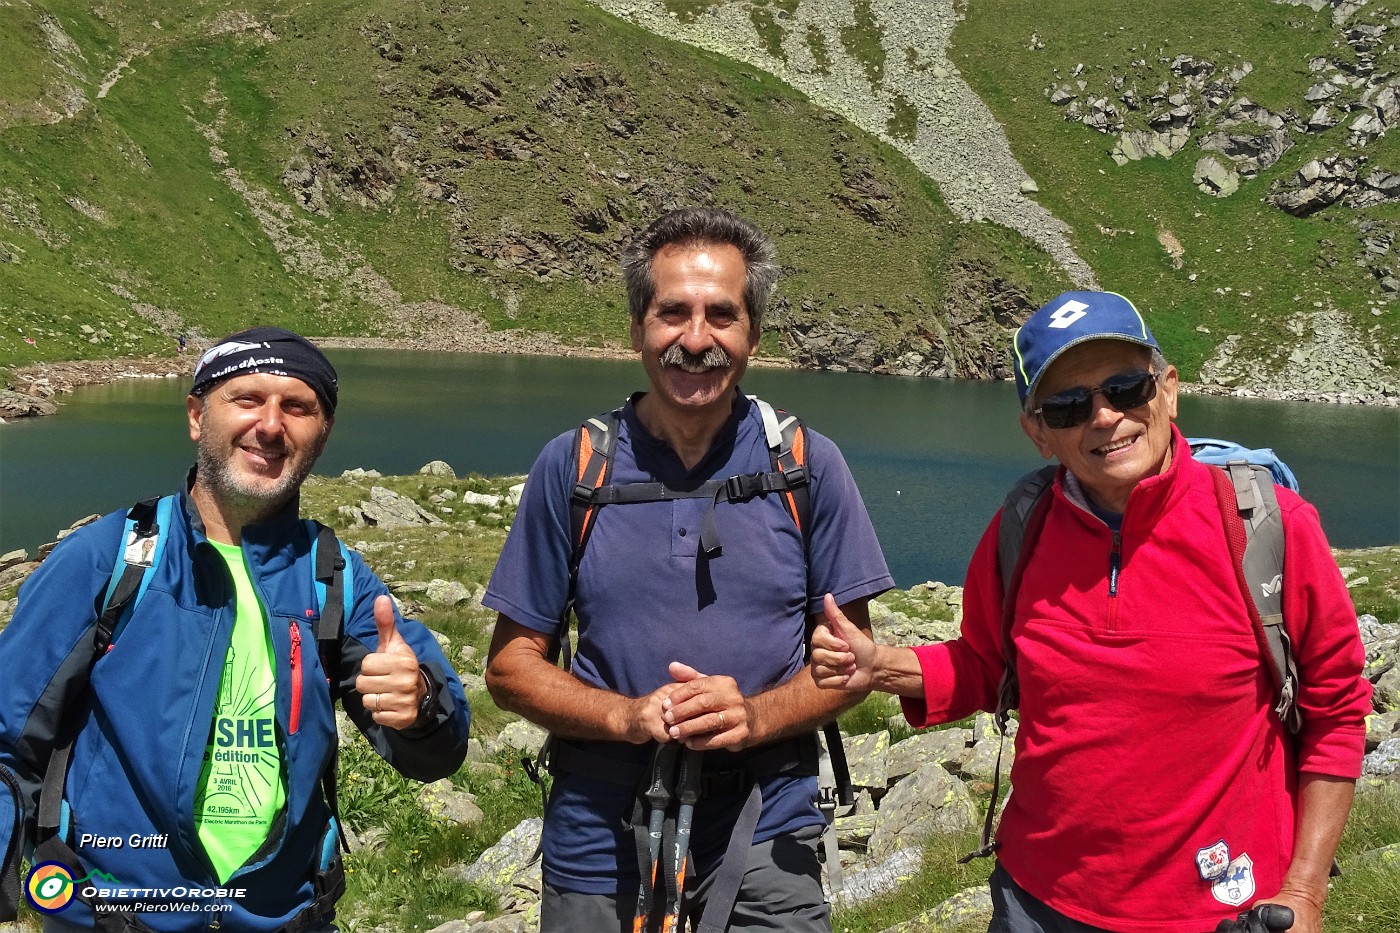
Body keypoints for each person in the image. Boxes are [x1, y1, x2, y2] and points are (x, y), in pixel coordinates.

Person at [812, 290, 1372, 933]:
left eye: (1126, 388)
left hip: (1222, 907)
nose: (1105, 417)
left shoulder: (1270, 527)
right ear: (1039, 433)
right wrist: (879, 666)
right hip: (1039, 901)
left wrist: (1303, 893)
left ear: (1167, 390)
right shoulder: (1021, 529)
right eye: (1070, 406)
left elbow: (1336, 709)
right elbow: (983, 664)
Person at [483, 207, 894, 933]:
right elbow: (512, 666)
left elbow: (850, 663)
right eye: (673, 313)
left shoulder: (804, 465)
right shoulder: (574, 466)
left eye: (721, 316)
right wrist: (626, 715)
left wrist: (753, 716)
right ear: (637, 327)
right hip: (595, 832)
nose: (695, 339)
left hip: (767, 825)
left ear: (753, 335)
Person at [0, 326, 472, 931]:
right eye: (246, 399)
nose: (271, 425)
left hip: (287, 918)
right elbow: (8, 740)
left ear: (320, 437)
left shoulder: (334, 578)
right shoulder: (111, 559)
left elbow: (439, 752)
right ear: (197, 416)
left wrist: (420, 707)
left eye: (297, 407)